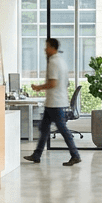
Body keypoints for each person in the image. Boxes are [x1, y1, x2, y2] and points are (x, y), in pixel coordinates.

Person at [23, 38, 82, 167]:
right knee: (44, 129)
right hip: (55, 102)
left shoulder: (53, 62)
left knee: (63, 129)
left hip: (55, 103)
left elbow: (53, 83)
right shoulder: (61, 61)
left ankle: (75, 155)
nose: (45, 49)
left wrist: (38, 87)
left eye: (47, 46)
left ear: (52, 48)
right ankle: (37, 155)